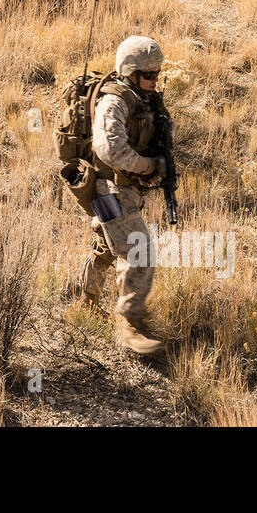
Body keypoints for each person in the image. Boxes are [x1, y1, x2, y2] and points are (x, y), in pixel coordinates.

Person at [78, 35, 170, 355]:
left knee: (107, 245)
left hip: (123, 190)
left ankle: (85, 301)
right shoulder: (114, 101)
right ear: (129, 72)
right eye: (148, 75)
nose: (155, 80)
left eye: (158, 73)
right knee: (138, 250)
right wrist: (148, 166)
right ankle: (129, 323)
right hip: (109, 189)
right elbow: (110, 149)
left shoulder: (142, 97)